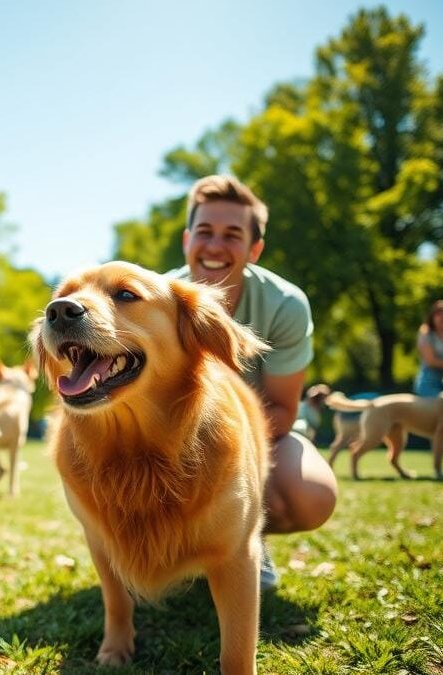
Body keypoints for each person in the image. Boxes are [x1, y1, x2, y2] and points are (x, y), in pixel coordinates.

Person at [165, 174, 338, 591]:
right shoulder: (153, 299)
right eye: (204, 232)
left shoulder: (285, 305)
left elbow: (282, 408)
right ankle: (170, 553)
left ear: (254, 249)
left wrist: (219, 453)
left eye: (233, 234)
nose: (215, 246)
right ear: (188, 240)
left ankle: (245, 537)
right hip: (169, 439)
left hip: (260, 438)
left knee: (311, 495)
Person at [413, 300, 443, 397]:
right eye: (439, 314)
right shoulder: (426, 332)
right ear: (432, 316)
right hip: (430, 384)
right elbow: (431, 361)